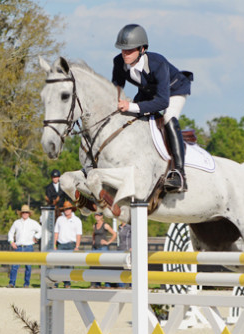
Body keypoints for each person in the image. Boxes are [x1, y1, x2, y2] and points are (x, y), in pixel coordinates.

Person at [111, 24, 193, 193]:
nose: (124, 54)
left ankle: (179, 173)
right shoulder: (118, 61)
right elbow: (117, 85)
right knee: (129, 117)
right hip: (149, 90)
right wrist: (117, 101)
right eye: (123, 50)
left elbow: (162, 101)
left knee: (169, 117)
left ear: (142, 49)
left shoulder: (157, 63)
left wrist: (131, 105)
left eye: (129, 50)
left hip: (174, 90)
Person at [7, 205, 42, 288]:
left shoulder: (33, 223)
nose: (25, 214)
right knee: (15, 266)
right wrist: (12, 242)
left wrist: (36, 237)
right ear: (21, 213)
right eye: (23, 212)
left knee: (28, 267)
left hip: (28, 246)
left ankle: (26, 284)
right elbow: (10, 233)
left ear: (29, 213)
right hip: (18, 246)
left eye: (26, 212)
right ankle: (12, 283)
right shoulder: (16, 223)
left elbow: (41, 230)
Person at [53, 200, 83, 288]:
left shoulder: (77, 220)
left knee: (69, 265)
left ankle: (67, 283)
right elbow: (56, 233)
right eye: (65, 209)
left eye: (68, 209)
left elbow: (78, 234)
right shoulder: (60, 219)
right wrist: (54, 245)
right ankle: (56, 282)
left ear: (71, 210)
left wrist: (77, 246)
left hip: (71, 244)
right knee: (58, 265)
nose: (67, 211)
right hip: (61, 244)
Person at [90, 213, 117, 289]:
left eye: (98, 215)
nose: (97, 217)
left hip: (103, 248)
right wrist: (93, 241)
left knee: (105, 266)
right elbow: (93, 234)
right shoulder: (94, 225)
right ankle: (97, 283)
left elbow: (114, 234)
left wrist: (108, 242)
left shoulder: (105, 225)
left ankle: (107, 284)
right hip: (96, 248)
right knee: (96, 266)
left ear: (102, 216)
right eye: (96, 215)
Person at [116, 222, 132, 288]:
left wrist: (133, 246)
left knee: (129, 267)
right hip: (121, 249)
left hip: (128, 249)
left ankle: (131, 284)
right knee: (121, 267)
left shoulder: (129, 226)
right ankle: (122, 285)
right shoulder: (119, 227)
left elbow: (135, 235)